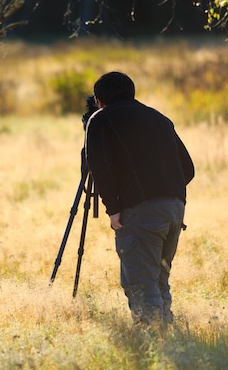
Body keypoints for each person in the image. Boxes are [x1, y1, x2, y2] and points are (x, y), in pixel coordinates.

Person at [84, 71, 195, 327]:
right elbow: (188, 169)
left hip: (140, 213)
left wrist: (114, 208)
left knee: (141, 285)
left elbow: (98, 165)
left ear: (100, 99)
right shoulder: (159, 118)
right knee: (158, 280)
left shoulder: (101, 119)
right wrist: (164, 192)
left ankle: (153, 344)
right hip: (175, 209)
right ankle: (167, 339)